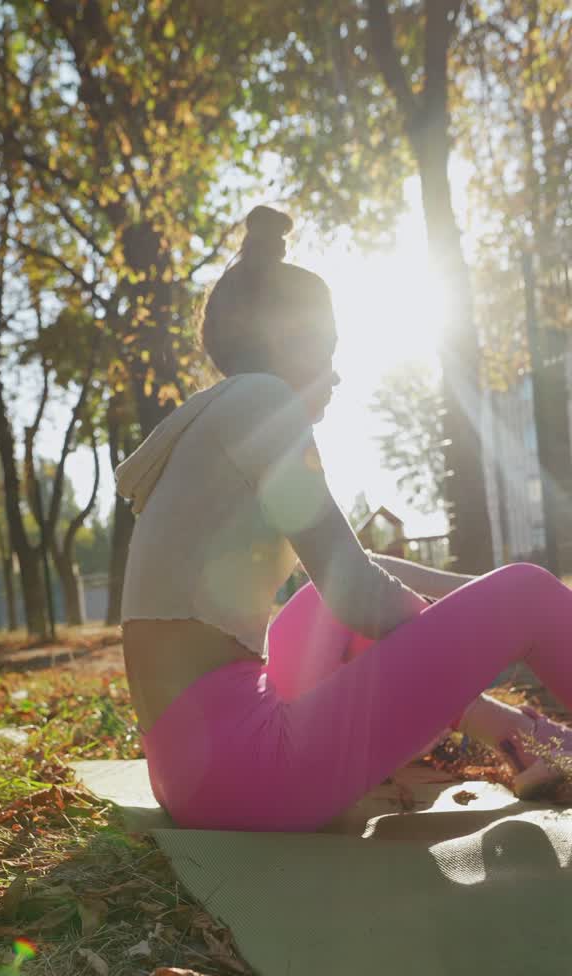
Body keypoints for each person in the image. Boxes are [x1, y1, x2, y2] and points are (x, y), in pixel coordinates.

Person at [116, 205, 572, 832]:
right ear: (286, 338)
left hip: (191, 773)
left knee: (352, 605)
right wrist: (507, 618)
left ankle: (529, 740)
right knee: (529, 591)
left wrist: (476, 612)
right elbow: (361, 596)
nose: (336, 373)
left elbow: (358, 575)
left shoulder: (215, 418)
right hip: (248, 772)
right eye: (327, 347)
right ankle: (537, 727)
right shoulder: (264, 403)